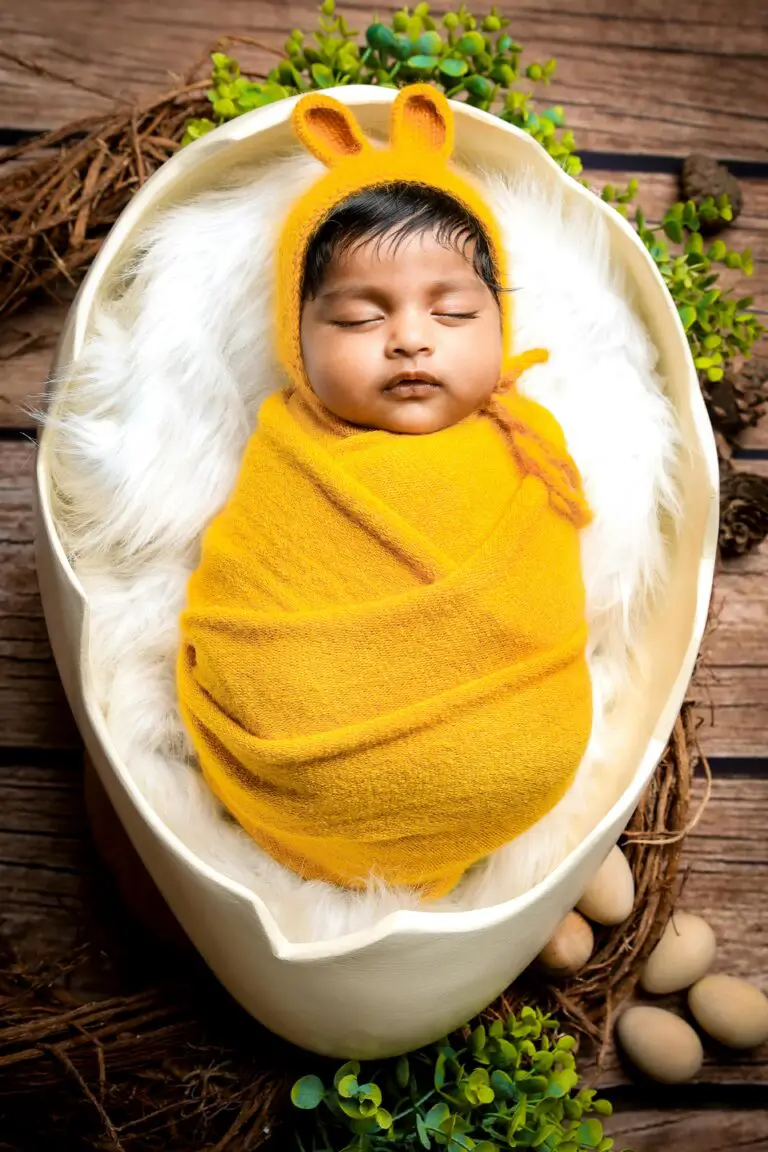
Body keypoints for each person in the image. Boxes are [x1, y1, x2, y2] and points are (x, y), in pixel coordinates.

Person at [176, 85, 593, 901]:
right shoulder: (289, 453)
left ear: (498, 326)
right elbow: (244, 605)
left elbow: (546, 600)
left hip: (513, 755)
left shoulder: (526, 446)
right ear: (295, 345)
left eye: (453, 309)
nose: (409, 337)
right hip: (307, 759)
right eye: (360, 319)